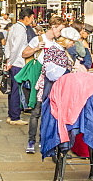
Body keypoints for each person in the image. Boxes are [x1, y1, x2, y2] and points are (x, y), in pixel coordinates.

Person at [28, 20, 78, 154]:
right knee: (44, 115)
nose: (73, 44)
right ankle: (43, 143)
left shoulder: (60, 50)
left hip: (54, 89)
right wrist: (68, 72)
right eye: (72, 42)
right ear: (66, 40)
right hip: (50, 89)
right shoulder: (55, 51)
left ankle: (49, 144)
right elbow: (52, 74)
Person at [4, 8, 39, 125]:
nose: (33, 20)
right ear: (26, 17)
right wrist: (10, 62)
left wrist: (8, 59)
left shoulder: (14, 27)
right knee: (17, 91)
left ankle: (11, 114)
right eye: (32, 18)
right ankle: (15, 117)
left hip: (13, 62)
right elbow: (16, 48)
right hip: (18, 63)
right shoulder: (21, 29)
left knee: (13, 90)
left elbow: (8, 45)